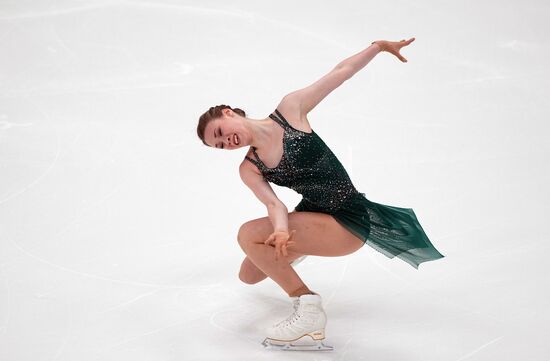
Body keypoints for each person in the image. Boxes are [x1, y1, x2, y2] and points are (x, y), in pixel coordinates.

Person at [196, 38, 445, 351]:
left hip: (346, 221)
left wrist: (378, 47)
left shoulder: (290, 111)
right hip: (312, 215)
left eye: (219, 132)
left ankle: (307, 306)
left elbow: (340, 72)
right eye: (219, 146)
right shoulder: (250, 168)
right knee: (249, 274)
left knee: (248, 235)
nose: (226, 142)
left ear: (229, 113)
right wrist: (283, 231)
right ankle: (301, 246)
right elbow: (274, 204)